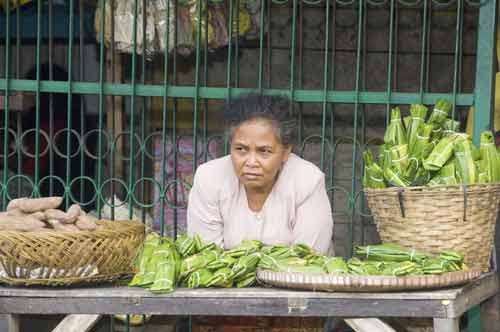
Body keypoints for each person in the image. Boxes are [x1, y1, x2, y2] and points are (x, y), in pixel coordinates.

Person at [187, 93, 333, 254]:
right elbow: (206, 256)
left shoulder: (307, 181)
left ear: (286, 152)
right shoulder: (209, 178)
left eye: (264, 151)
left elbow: (307, 259)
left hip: (295, 278)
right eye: (241, 149)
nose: (251, 162)